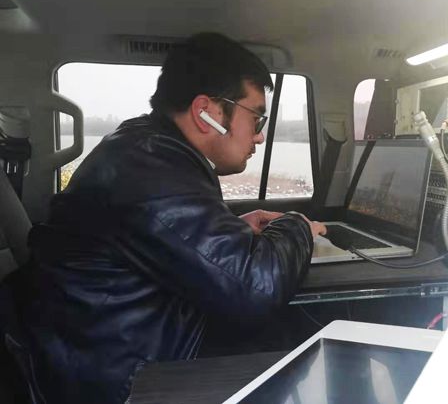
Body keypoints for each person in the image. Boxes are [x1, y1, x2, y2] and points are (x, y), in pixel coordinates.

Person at [11, 33, 326, 404]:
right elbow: (255, 287)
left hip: (112, 345)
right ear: (207, 112)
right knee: (299, 344)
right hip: (122, 380)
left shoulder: (145, 147)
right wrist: (298, 226)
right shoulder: (151, 167)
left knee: (287, 333)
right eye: (257, 119)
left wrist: (233, 228)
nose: (259, 137)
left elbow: (166, 234)